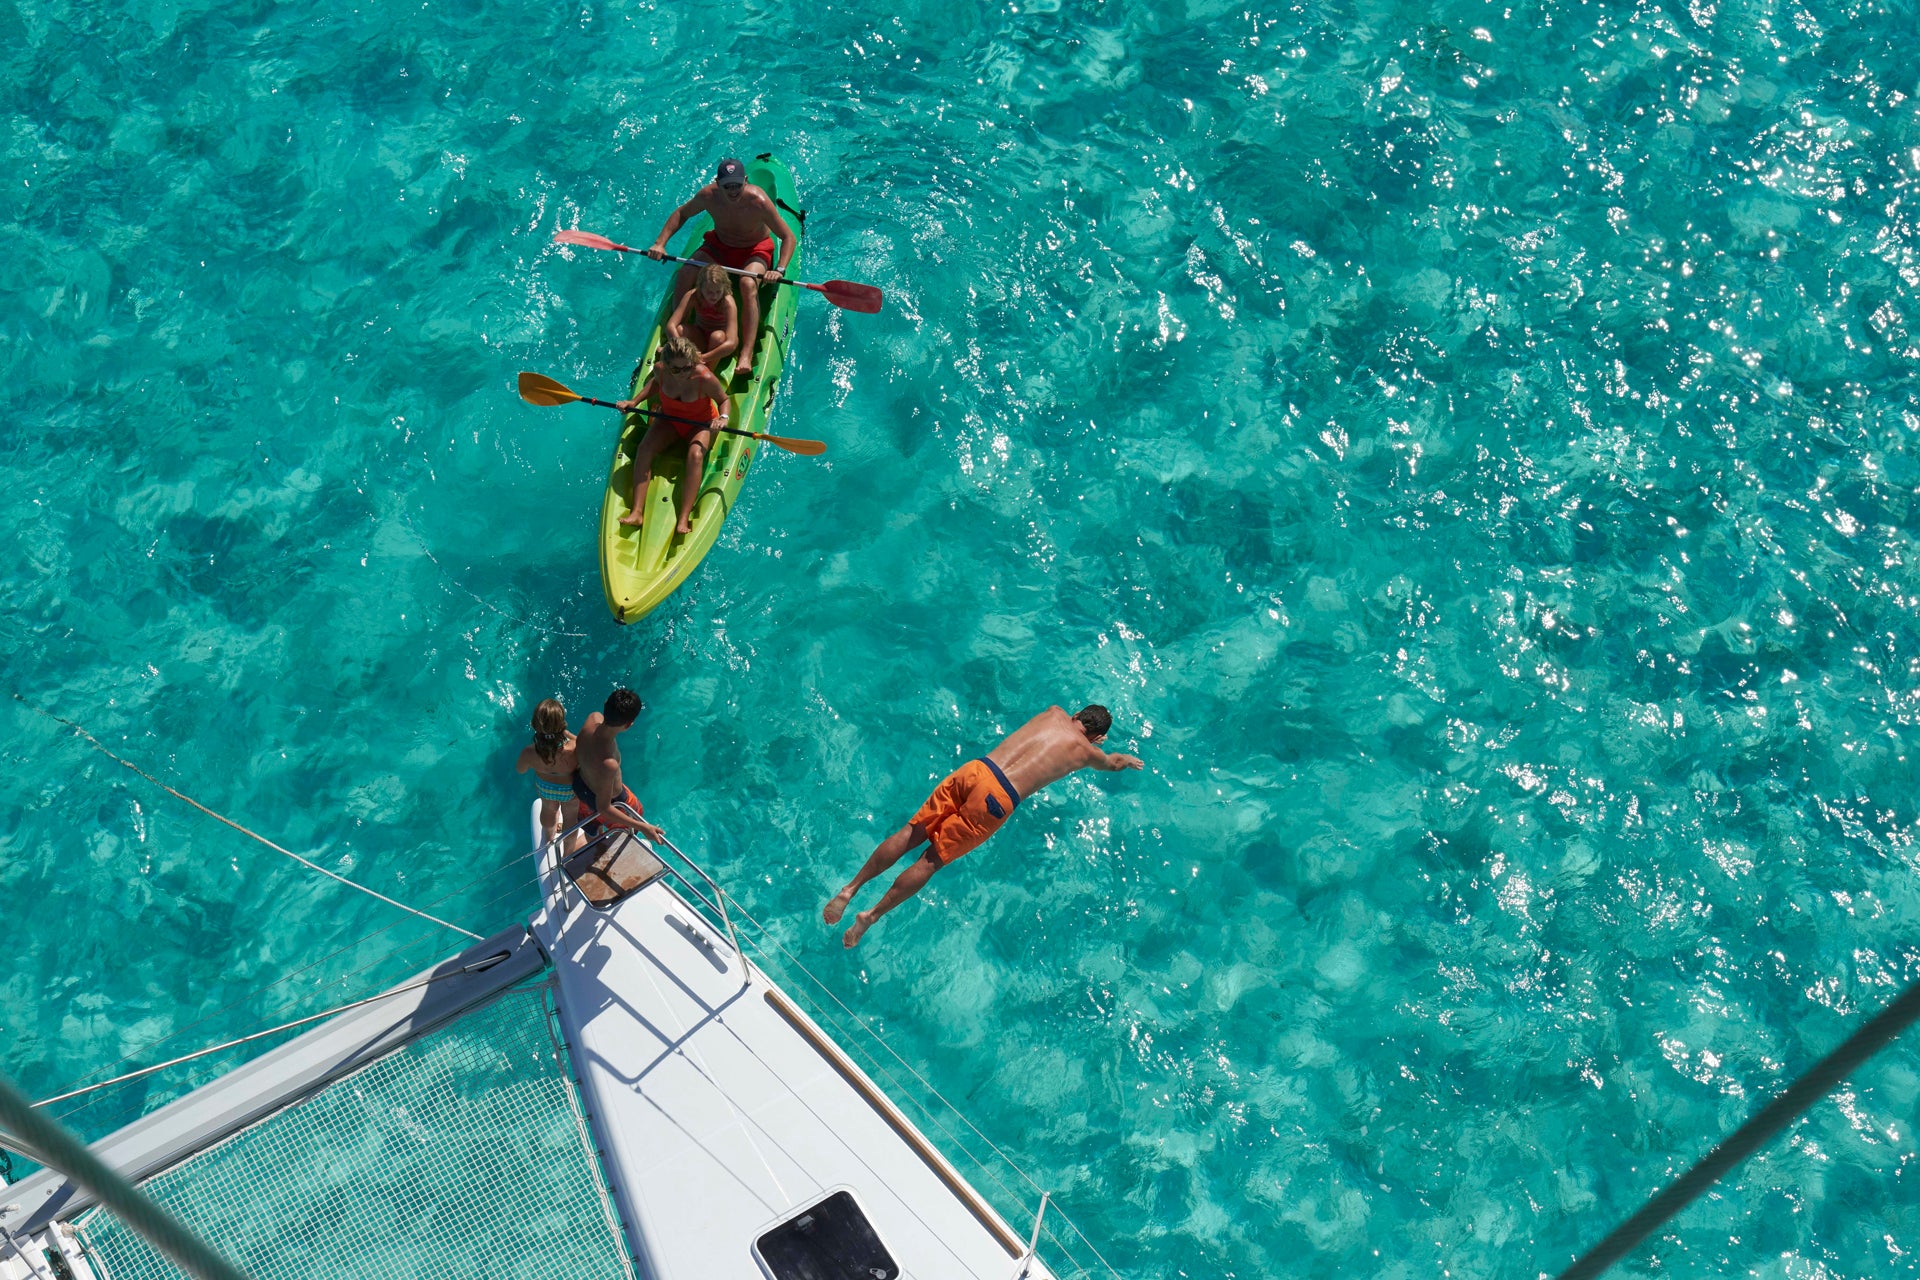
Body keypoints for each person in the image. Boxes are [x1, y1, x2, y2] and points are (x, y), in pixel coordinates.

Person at [825, 705, 1144, 948]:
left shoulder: (1054, 712)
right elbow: (1111, 763)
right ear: (1095, 735)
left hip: (977, 769)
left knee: (912, 832)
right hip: (997, 799)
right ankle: (870, 916)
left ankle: (849, 889)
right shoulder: (1088, 750)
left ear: (1077, 714)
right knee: (930, 860)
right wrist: (1123, 758)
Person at [646, 157, 797, 381]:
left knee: (747, 284)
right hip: (720, 245)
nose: (733, 190)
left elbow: (787, 237)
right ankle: (678, 337)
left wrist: (780, 269)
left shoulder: (758, 201)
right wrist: (660, 243)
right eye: (728, 185)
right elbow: (682, 213)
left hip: (754, 250)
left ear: (745, 181)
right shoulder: (708, 196)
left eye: (737, 184)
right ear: (718, 183)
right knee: (687, 270)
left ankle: (746, 353)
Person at [616, 334, 730, 535]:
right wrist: (633, 402)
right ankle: (637, 513)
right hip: (669, 419)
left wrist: (723, 418)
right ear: (667, 366)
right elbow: (654, 384)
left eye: (688, 367)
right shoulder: (661, 370)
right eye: (676, 369)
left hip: (700, 424)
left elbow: (723, 399)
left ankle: (683, 517)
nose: (683, 373)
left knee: (695, 455)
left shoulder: (704, 377)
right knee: (644, 448)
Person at [572, 688, 665, 843]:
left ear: (605, 704)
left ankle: (595, 843)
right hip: (610, 802)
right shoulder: (609, 763)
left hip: (581, 790)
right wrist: (643, 827)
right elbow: (603, 808)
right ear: (629, 725)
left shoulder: (592, 718)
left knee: (591, 829)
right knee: (636, 814)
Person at [515, 698, 579, 849]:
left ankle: (548, 838)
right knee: (570, 819)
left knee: (548, 811)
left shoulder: (529, 752)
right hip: (570, 791)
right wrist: (569, 734)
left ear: (534, 725)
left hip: (546, 789)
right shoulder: (575, 748)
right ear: (562, 725)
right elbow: (586, 747)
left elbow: (521, 770)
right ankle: (568, 853)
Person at [667, 262, 739, 370]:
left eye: (718, 291)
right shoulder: (694, 296)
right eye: (709, 292)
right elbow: (670, 325)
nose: (714, 296)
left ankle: (707, 370)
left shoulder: (727, 303)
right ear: (700, 287)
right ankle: (683, 362)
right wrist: (680, 347)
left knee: (717, 337)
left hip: (720, 344)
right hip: (700, 336)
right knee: (680, 329)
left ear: (724, 288)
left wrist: (702, 357)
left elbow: (732, 343)